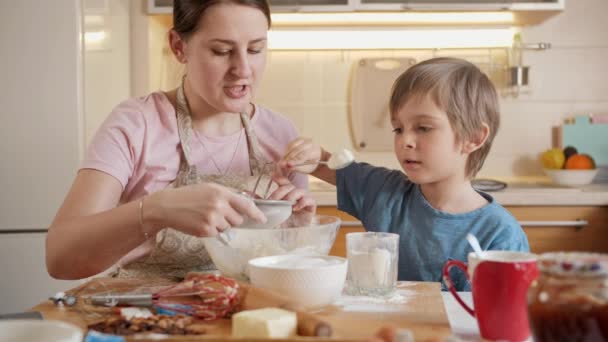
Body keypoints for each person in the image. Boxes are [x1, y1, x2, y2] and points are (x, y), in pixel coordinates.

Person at [46, 0, 315, 280]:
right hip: (148, 317)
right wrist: (157, 209)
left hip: (247, 316)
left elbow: (287, 270)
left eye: (255, 49)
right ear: (178, 46)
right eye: (222, 51)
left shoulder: (281, 133)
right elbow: (59, 258)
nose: (243, 69)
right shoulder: (137, 124)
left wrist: (293, 235)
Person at [279, 57, 529, 291]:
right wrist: (311, 155)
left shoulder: (500, 234)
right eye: (398, 128)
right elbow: (328, 165)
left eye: (423, 128)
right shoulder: (384, 191)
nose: (405, 140)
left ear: (473, 138)